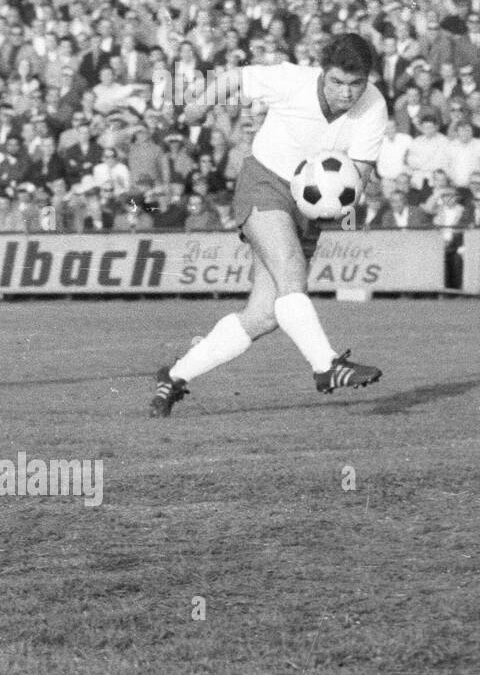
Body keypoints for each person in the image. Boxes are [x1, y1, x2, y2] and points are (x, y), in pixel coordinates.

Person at [148, 34, 386, 417]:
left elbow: (356, 179)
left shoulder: (374, 107)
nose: (345, 93)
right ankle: (327, 367)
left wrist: (340, 210)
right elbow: (236, 77)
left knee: (264, 315)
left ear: (368, 80)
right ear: (323, 74)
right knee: (292, 273)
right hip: (265, 182)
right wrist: (198, 107)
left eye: (355, 84)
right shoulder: (293, 80)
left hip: (312, 208)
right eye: (337, 82)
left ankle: (173, 376)